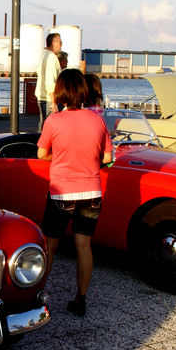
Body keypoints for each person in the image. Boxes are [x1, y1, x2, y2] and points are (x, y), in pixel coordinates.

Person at [37, 69, 113, 316]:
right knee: (84, 245)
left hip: (61, 194)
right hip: (92, 192)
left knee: (50, 245)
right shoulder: (97, 121)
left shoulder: (54, 120)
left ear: (60, 91)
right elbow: (108, 157)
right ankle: (80, 298)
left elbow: (41, 154)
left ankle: (36, 295)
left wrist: (58, 157)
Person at [35, 33, 63, 130]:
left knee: (43, 126)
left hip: (43, 98)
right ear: (53, 43)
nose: (61, 44)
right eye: (60, 41)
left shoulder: (45, 56)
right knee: (49, 128)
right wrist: (54, 103)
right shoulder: (52, 58)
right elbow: (50, 82)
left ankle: (39, 144)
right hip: (49, 99)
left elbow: (39, 72)